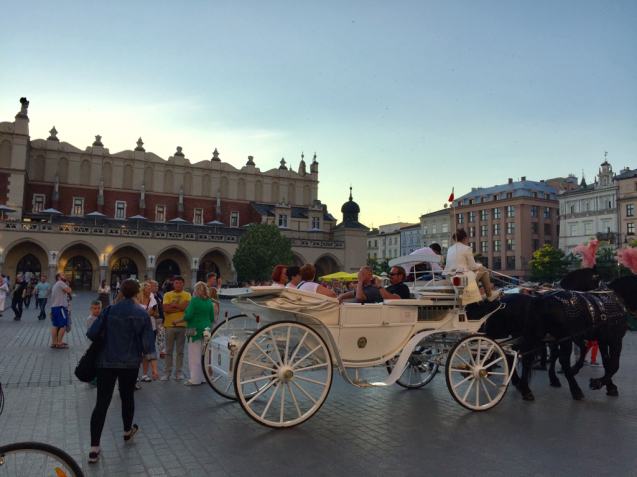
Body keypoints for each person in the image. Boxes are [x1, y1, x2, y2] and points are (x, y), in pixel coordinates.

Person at [86, 279, 158, 464]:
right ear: (136, 293)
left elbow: (92, 333)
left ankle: (94, 448)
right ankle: (127, 432)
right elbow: (148, 342)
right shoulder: (141, 313)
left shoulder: (109, 309)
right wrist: (154, 366)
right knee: (127, 398)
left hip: (105, 362)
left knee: (101, 404)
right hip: (129, 363)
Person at [172, 282, 215, 386]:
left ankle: (195, 379)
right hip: (207, 329)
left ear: (197, 290)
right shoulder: (209, 301)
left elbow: (189, 315)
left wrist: (177, 321)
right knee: (203, 355)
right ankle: (204, 378)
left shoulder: (194, 300)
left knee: (194, 355)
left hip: (194, 329)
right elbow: (212, 317)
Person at [444, 229, 501, 302]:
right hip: (462, 279)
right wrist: (479, 265)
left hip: (450, 276)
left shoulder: (450, 249)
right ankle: (489, 295)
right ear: (464, 239)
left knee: (475, 272)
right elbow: (473, 267)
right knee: (483, 269)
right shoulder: (466, 248)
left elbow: (460, 263)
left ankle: (476, 295)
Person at [161, 276, 191, 380]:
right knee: (169, 350)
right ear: (173, 284)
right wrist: (180, 307)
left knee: (180, 351)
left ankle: (179, 372)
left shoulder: (187, 294)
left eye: (180, 283)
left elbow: (187, 307)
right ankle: (167, 372)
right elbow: (165, 308)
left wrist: (173, 305)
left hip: (182, 325)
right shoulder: (167, 294)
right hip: (169, 324)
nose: (178, 284)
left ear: (183, 284)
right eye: (176, 283)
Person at [135, 282, 158, 383]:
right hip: (138, 328)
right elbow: (146, 313)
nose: (150, 290)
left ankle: (144, 374)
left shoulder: (152, 300)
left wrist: (149, 313)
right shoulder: (136, 300)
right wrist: (147, 313)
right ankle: (135, 374)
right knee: (136, 352)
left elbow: (154, 312)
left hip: (150, 327)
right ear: (142, 290)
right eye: (148, 289)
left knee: (147, 351)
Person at [50, 273, 72, 348]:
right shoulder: (61, 283)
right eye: (63, 275)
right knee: (64, 325)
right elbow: (68, 290)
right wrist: (67, 286)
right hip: (60, 307)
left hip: (54, 307)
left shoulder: (55, 285)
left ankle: (54, 342)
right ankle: (59, 342)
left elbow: (52, 298)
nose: (65, 275)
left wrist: (51, 309)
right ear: (59, 277)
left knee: (55, 325)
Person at [86, 300, 103, 387]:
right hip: (93, 343)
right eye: (95, 308)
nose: (97, 310)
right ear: (91, 309)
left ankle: (97, 377)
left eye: (99, 308)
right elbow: (92, 332)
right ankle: (91, 378)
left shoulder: (101, 317)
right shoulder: (90, 319)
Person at [151, 280, 166, 358]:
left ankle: (162, 350)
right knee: (152, 335)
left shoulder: (159, 295)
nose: (156, 287)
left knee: (161, 334)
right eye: (154, 286)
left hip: (160, 318)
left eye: (157, 286)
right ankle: (152, 350)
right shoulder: (150, 296)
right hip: (152, 318)